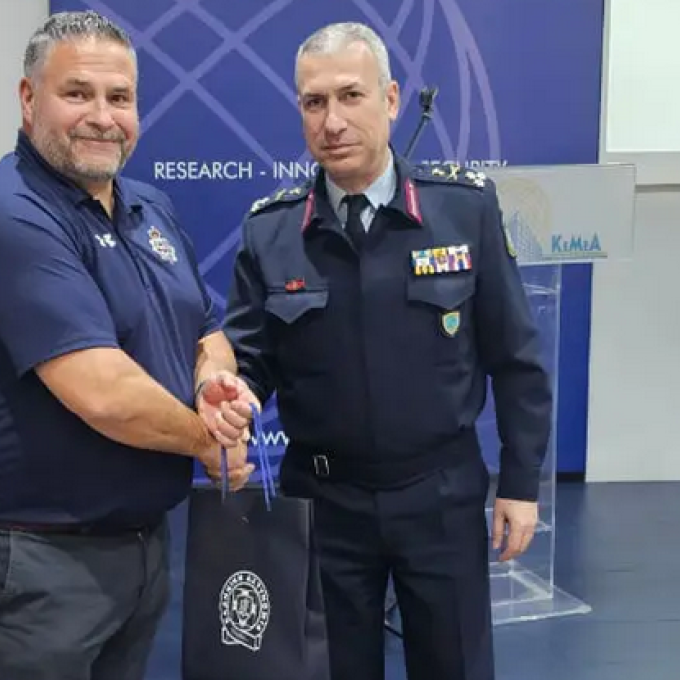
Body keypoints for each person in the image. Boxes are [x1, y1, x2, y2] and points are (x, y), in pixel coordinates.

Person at [224, 21, 552, 680]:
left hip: (440, 496)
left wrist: (520, 485)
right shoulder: (272, 231)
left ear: (392, 99)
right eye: (314, 102)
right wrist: (232, 398)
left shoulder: (462, 211)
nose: (333, 121)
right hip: (324, 503)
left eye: (352, 95)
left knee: (454, 665)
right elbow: (251, 358)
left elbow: (516, 358)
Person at [0, 10, 257, 680]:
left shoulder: (149, 206)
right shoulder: (15, 215)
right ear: (28, 98)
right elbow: (104, 393)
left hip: (143, 551)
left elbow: (206, 331)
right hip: (40, 566)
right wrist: (208, 441)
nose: (102, 117)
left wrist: (212, 384)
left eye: (119, 97)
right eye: (77, 93)